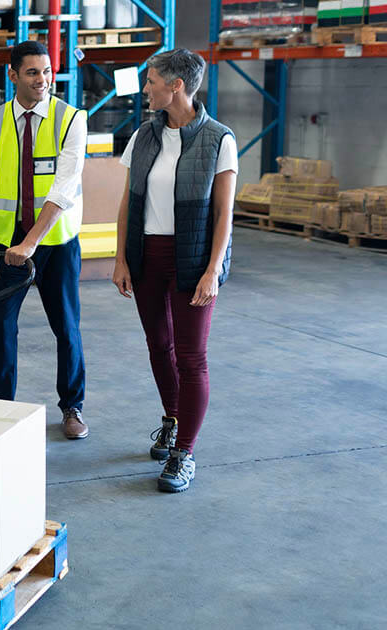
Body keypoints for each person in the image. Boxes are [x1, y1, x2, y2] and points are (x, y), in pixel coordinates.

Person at [112, 48, 237, 493]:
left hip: (193, 259)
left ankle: (185, 451)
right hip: (148, 256)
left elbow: (224, 215)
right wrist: (122, 257)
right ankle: (173, 418)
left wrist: (211, 270)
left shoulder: (219, 139)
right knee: (158, 346)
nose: (146, 88)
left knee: (191, 356)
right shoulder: (143, 136)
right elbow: (129, 201)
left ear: (175, 85)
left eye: (151, 80)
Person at [0, 40, 89, 440]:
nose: (42, 80)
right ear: (12, 75)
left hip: (55, 244)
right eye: (32, 72)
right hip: (7, 246)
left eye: (46, 72)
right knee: (2, 324)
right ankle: (1, 409)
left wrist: (31, 242)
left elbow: (63, 189)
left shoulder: (70, 119)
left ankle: (72, 406)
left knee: (66, 326)